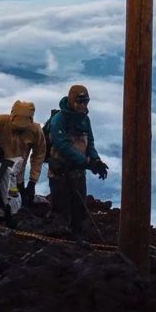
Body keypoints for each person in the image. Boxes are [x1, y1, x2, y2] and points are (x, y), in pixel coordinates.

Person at [47, 84, 108, 235]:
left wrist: (97, 161)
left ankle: (77, 238)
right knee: (61, 209)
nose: (83, 105)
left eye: (85, 101)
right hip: (60, 173)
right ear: (71, 100)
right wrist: (87, 162)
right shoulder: (59, 119)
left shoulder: (85, 120)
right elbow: (63, 146)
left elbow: (90, 143)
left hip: (78, 173)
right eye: (79, 101)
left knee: (79, 210)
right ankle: (60, 241)